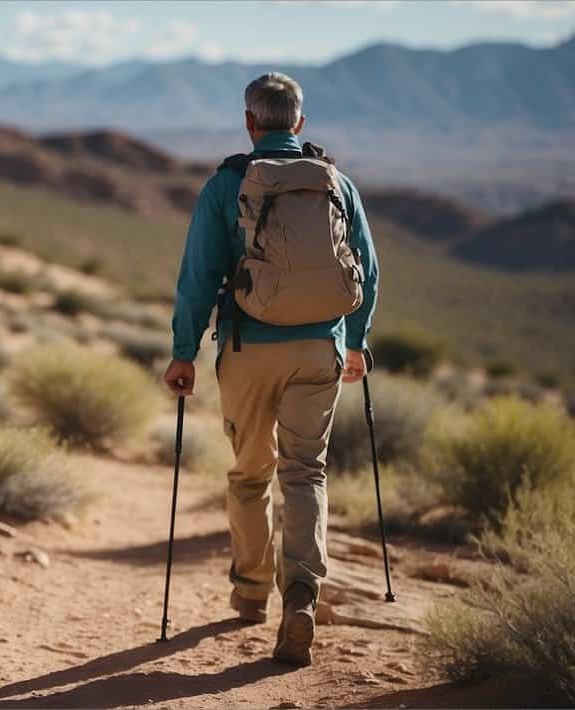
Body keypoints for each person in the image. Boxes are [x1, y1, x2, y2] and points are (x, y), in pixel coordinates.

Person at [163, 72, 379, 667]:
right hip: (319, 349)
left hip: (247, 350)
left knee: (250, 473)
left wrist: (183, 352)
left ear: (249, 122)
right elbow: (367, 271)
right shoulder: (336, 183)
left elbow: (198, 276)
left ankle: (252, 592)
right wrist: (356, 342)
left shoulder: (226, 185)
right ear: (300, 123)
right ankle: (301, 594)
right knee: (306, 473)